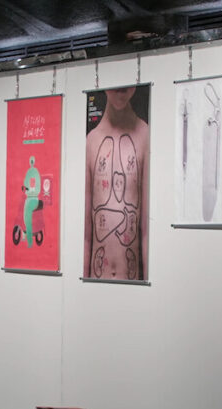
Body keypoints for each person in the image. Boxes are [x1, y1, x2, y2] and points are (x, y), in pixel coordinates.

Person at [84, 87, 149, 280]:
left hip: (132, 282)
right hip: (96, 282)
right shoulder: (91, 141)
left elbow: (147, 231)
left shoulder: (145, 136)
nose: (120, 89)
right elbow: (85, 234)